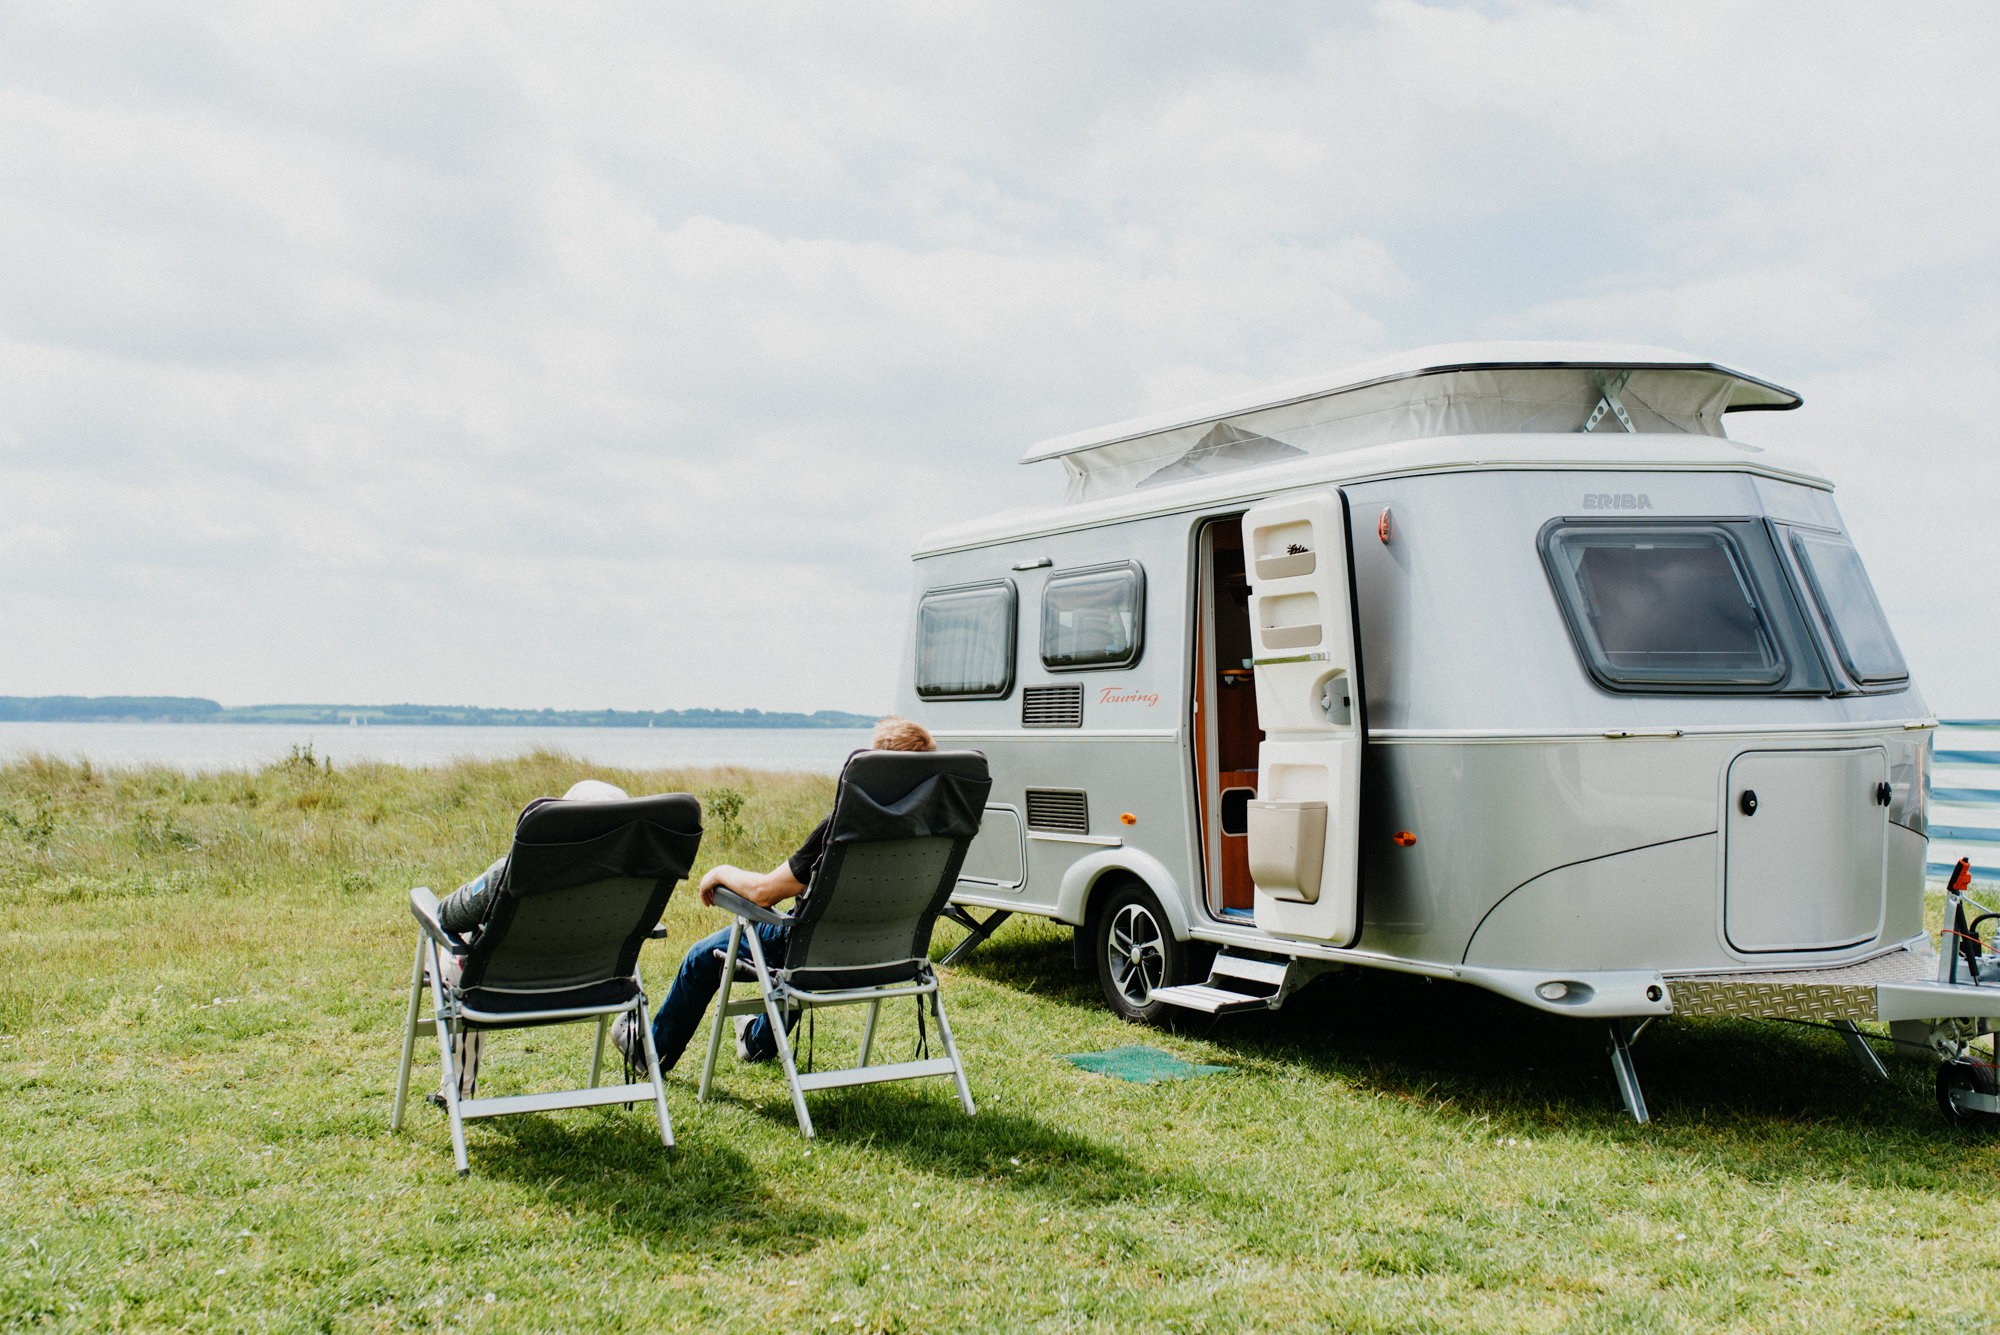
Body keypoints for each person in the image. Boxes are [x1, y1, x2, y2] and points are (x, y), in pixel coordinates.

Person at [612, 716, 936, 1073]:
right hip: (889, 953)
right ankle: (757, 1040)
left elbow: (764, 893)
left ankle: (649, 1052)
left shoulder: (844, 827)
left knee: (701, 959)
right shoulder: (933, 832)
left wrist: (719, 872)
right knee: (799, 952)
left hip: (814, 950)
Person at [429, 778, 631, 1103]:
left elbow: (448, 915)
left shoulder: (516, 870)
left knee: (455, 954)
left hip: (501, 990)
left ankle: (459, 1090)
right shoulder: (632, 885)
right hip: (597, 988)